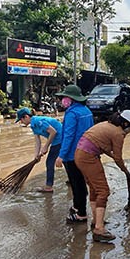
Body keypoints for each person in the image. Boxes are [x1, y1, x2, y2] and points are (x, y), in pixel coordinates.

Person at [74, 110, 130, 242]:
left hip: (79, 154)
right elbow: (118, 157)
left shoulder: (107, 125)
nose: (129, 131)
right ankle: (99, 229)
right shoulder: (118, 134)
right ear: (124, 123)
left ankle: (96, 221)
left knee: (94, 188)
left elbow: (106, 149)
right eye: (129, 127)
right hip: (88, 156)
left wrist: (119, 163)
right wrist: (125, 170)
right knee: (103, 191)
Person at [55, 84, 94, 224]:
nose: (63, 100)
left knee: (76, 183)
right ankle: (77, 206)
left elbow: (68, 136)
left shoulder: (72, 113)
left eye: (65, 97)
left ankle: (81, 214)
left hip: (72, 154)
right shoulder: (86, 110)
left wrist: (61, 155)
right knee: (80, 181)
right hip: (85, 152)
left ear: (71, 99)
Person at [16, 107, 62, 193]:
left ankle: (49, 187)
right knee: (65, 160)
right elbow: (37, 142)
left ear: (26, 117)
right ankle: (72, 179)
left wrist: (46, 147)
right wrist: (36, 156)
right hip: (57, 139)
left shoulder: (38, 121)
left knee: (49, 162)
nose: (21, 122)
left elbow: (53, 132)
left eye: (21, 120)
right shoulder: (33, 126)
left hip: (60, 138)